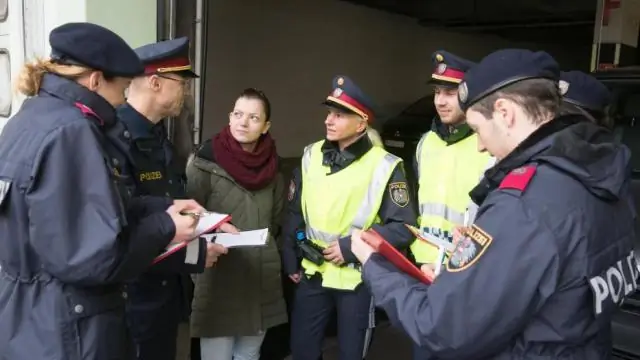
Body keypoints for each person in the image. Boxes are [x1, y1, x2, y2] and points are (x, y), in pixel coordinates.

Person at [351, 49, 638, 359]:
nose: (480, 145)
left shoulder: (524, 203)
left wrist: (374, 265)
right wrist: (479, 271)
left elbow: (442, 328)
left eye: (476, 129)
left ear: (504, 112)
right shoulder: (603, 172)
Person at [0, 22, 204, 360]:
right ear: (95, 80)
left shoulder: (28, 119)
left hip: (29, 320)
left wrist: (162, 206)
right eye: (122, 87)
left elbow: (76, 214)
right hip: (69, 331)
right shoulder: (72, 132)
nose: (123, 98)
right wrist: (167, 226)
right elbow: (95, 258)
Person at [282, 75, 417, 360]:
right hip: (313, 272)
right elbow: (295, 210)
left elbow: (403, 228)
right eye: (329, 113)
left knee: (351, 353)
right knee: (302, 350)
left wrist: (350, 248)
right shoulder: (311, 155)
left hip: (356, 280)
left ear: (361, 124)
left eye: (340, 115)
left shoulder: (385, 166)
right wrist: (290, 254)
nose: (329, 120)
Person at [118, 37, 231, 360]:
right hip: (137, 300)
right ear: (155, 83)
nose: (187, 92)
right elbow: (127, 229)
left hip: (165, 297)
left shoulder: (157, 136)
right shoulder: (116, 139)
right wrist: (195, 255)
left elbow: (172, 205)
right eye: (182, 83)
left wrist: (210, 228)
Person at [186, 88, 288, 360]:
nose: (243, 122)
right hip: (218, 274)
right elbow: (188, 217)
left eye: (253, 117)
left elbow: (276, 220)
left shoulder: (274, 168)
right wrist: (198, 271)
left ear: (266, 126)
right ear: (230, 117)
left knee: (249, 355)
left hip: (259, 276)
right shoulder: (204, 162)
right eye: (238, 114)